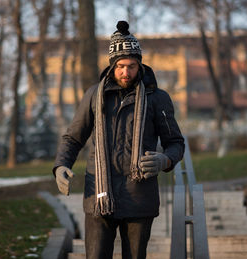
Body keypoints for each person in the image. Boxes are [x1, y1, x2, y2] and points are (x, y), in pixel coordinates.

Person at [53, 21, 184, 259]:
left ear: (140, 64)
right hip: (98, 199)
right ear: (112, 65)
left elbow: (176, 143)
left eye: (132, 66)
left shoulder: (158, 98)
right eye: (121, 66)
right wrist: (61, 165)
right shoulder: (94, 95)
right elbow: (73, 137)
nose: (126, 72)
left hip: (139, 198)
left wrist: (165, 160)